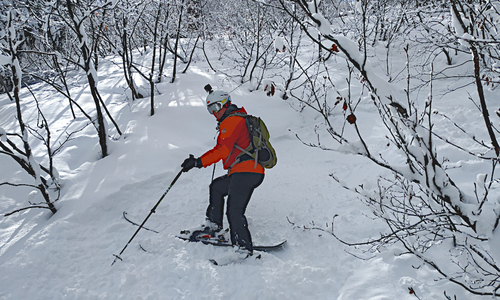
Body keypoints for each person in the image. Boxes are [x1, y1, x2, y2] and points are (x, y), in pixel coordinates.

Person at [181, 87, 265, 257]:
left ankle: (243, 249)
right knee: (217, 187)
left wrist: (198, 162)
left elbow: (221, 151)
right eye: (210, 110)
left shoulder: (232, 121)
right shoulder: (235, 119)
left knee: (234, 210)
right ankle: (213, 225)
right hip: (245, 171)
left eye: (216, 108)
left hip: (246, 171)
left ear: (226, 104)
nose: (214, 113)